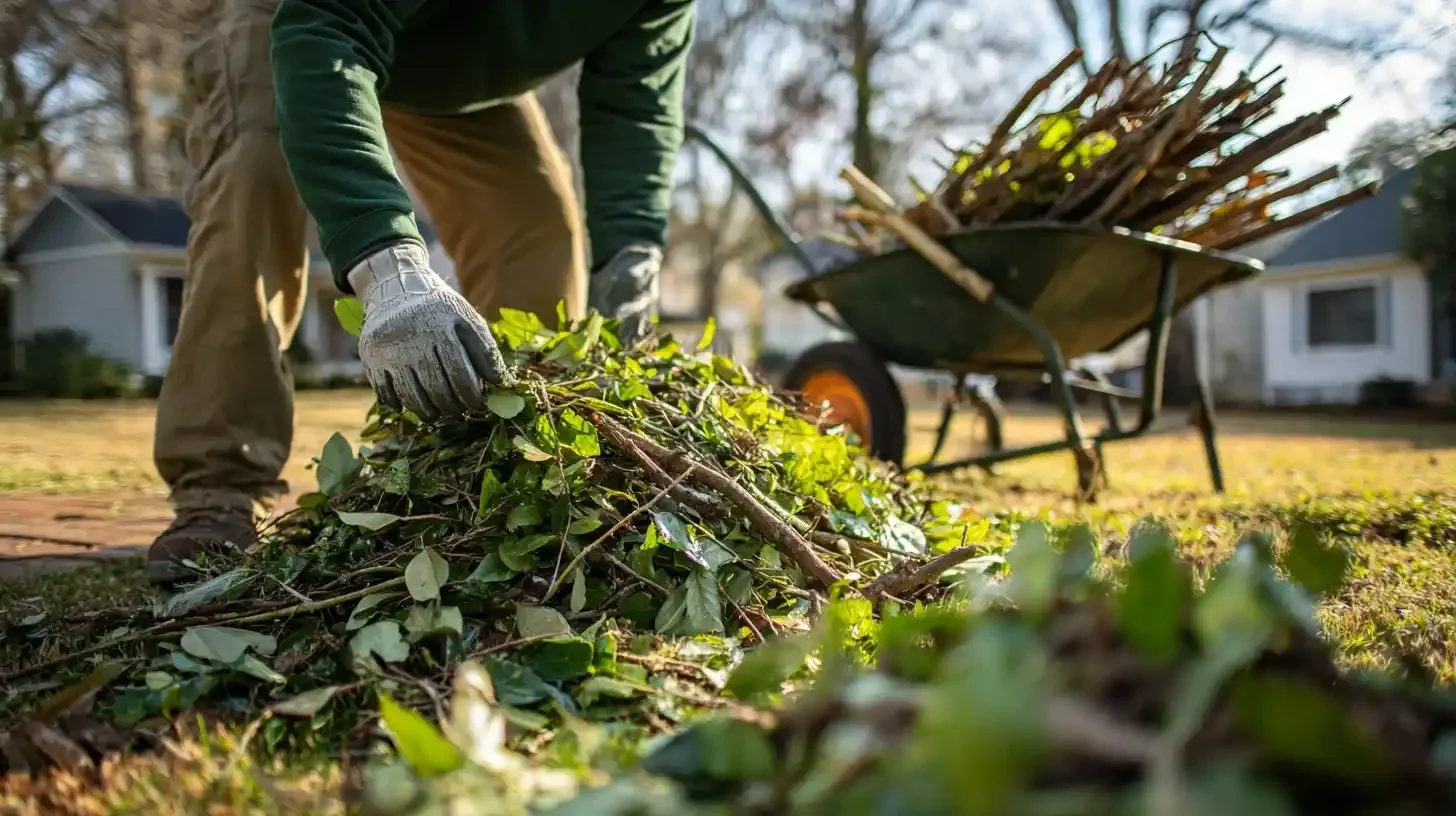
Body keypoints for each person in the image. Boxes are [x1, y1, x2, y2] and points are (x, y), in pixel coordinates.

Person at [147, 0, 695, 584]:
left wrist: (630, 263)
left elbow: (637, 109)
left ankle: (467, 467)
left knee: (539, 231)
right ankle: (218, 488)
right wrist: (387, 270)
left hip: (453, 67)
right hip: (310, 22)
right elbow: (328, 27)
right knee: (253, 176)